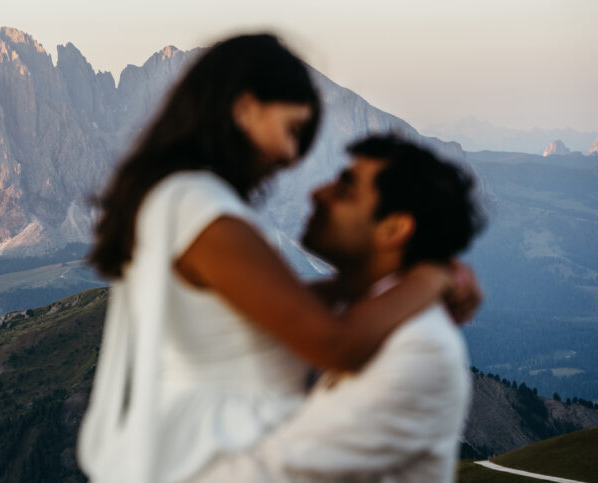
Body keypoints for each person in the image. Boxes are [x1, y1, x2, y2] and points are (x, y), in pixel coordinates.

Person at [77, 34, 476, 483]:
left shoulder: (182, 199)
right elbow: (336, 344)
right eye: (291, 131)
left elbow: (257, 312)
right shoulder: (200, 207)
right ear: (244, 108)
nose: (291, 156)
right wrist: (431, 277)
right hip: (219, 449)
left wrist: (382, 280)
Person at [196, 134, 484, 482]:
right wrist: (435, 275)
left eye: (346, 190)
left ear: (394, 228)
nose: (317, 193)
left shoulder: (419, 349)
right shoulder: (366, 310)